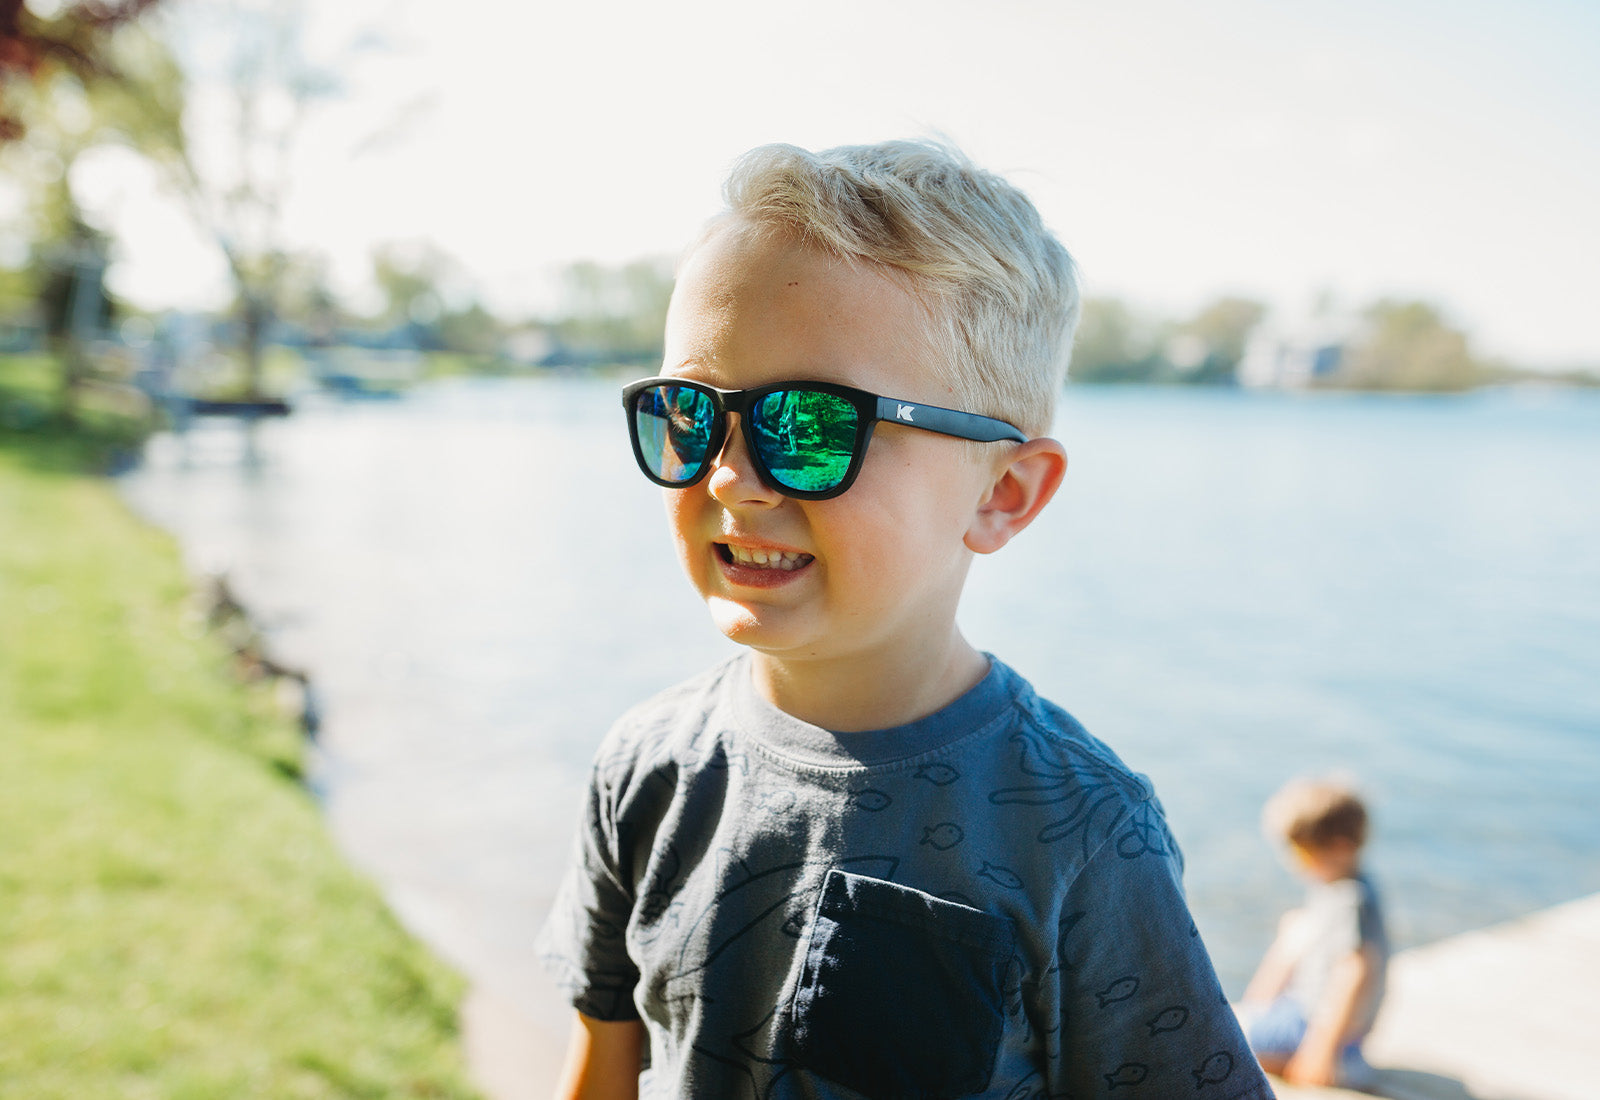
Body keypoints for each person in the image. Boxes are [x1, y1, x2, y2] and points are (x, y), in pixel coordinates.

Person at [538, 139, 1274, 1099]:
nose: (729, 478)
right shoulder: (646, 768)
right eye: (691, 412)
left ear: (1003, 493)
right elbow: (602, 1062)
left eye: (811, 425)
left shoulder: (1081, 834)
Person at [1238, 776, 1389, 1089]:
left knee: (1222, 1039)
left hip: (1313, 1028)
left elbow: (1355, 970)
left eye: (1302, 853)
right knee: (1294, 926)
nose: (1294, 864)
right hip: (1325, 1028)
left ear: (1340, 847)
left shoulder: (1350, 899)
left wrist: (1320, 1049)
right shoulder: (1343, 886)